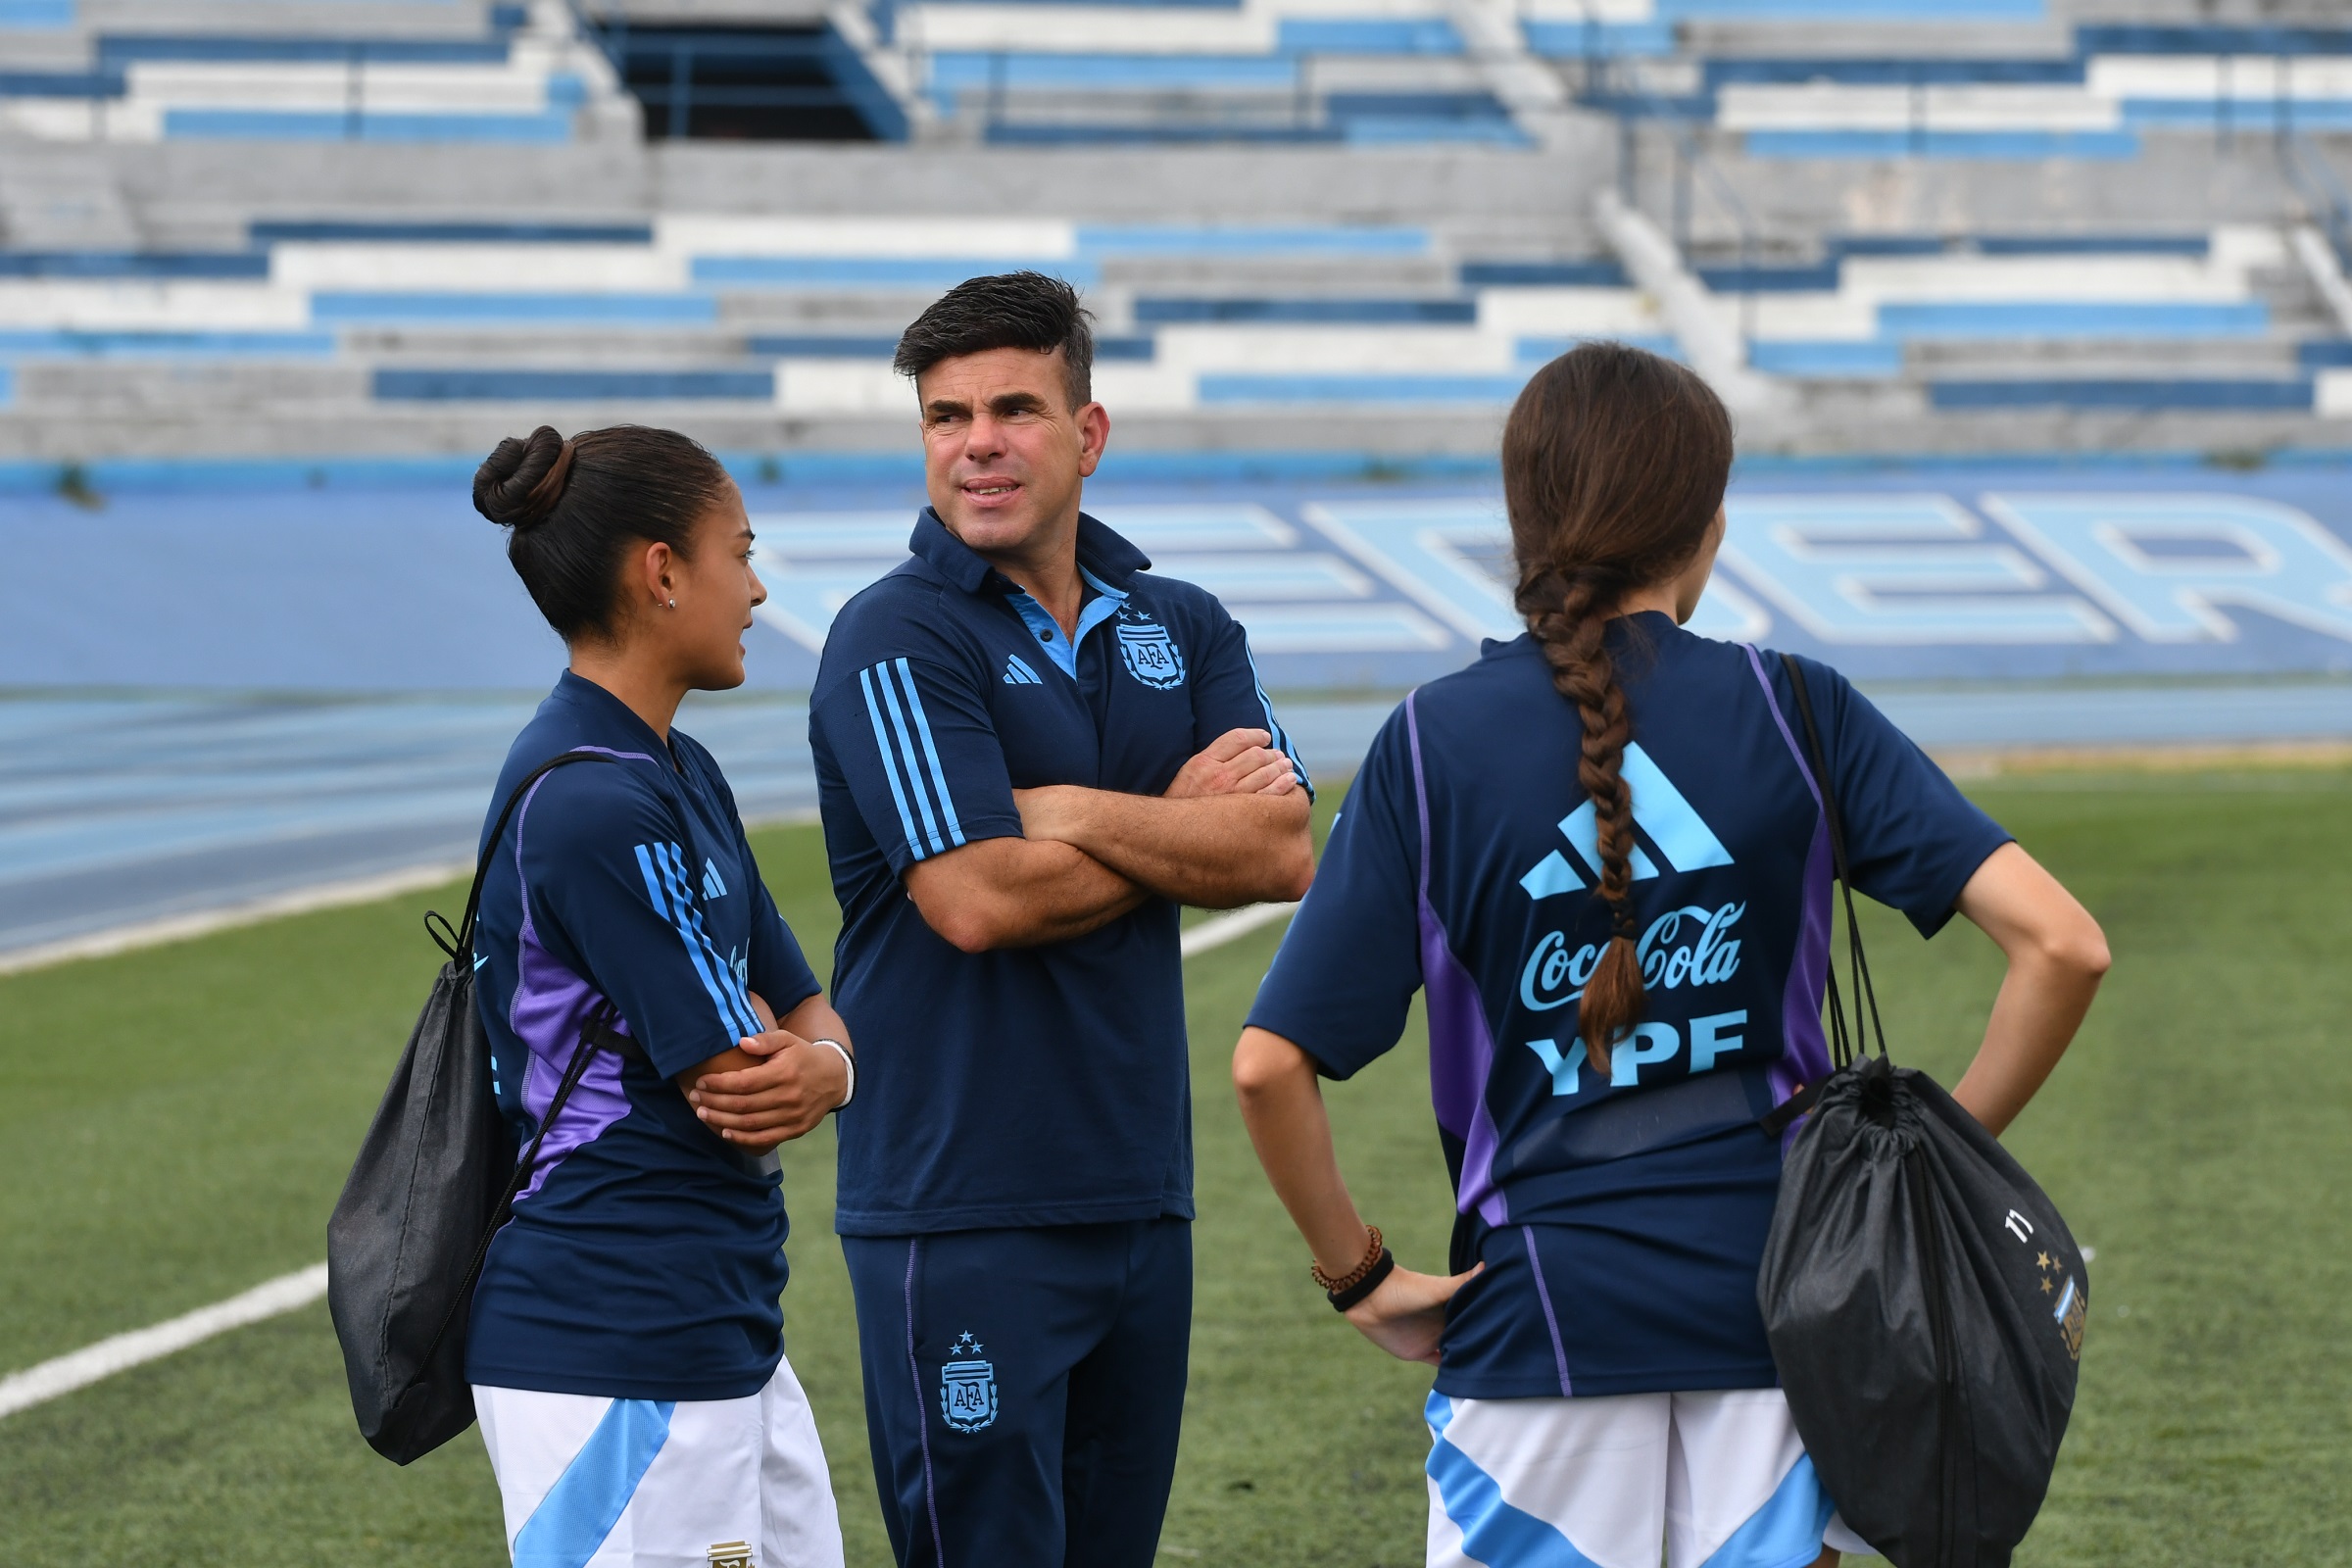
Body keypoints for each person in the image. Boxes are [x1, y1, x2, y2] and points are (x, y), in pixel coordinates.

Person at [1231, 343, 2111, 1568]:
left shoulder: (1432, 743)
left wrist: (1359, 1276)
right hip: (1788, 1325)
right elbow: (2063, 945)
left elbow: (1269, 1065)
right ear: (1706, 527)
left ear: (1525, 523)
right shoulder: (1800, 708)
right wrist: (1907, 1175)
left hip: (1536, 1328)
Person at [806, 271, 1316, 1568]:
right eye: (947, 416)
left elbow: (1279, 847)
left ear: (1087, 434)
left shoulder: (1184, 622)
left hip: (1139, 1196)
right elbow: (976, 899)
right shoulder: (892, 636)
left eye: (1014, 409)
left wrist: (1068, 811)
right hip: (961, 1207)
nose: (976, 443)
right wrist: (1173, 824)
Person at [466, 423, 853, 1568]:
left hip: (715, 1321)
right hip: (613, 1337)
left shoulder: (680, 768)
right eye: (741, 551)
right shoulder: (596, 802)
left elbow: (805, 1010)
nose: (758, 588)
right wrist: (812, 1061)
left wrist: (828, 1066)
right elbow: (743, 1088)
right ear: (663, 571)